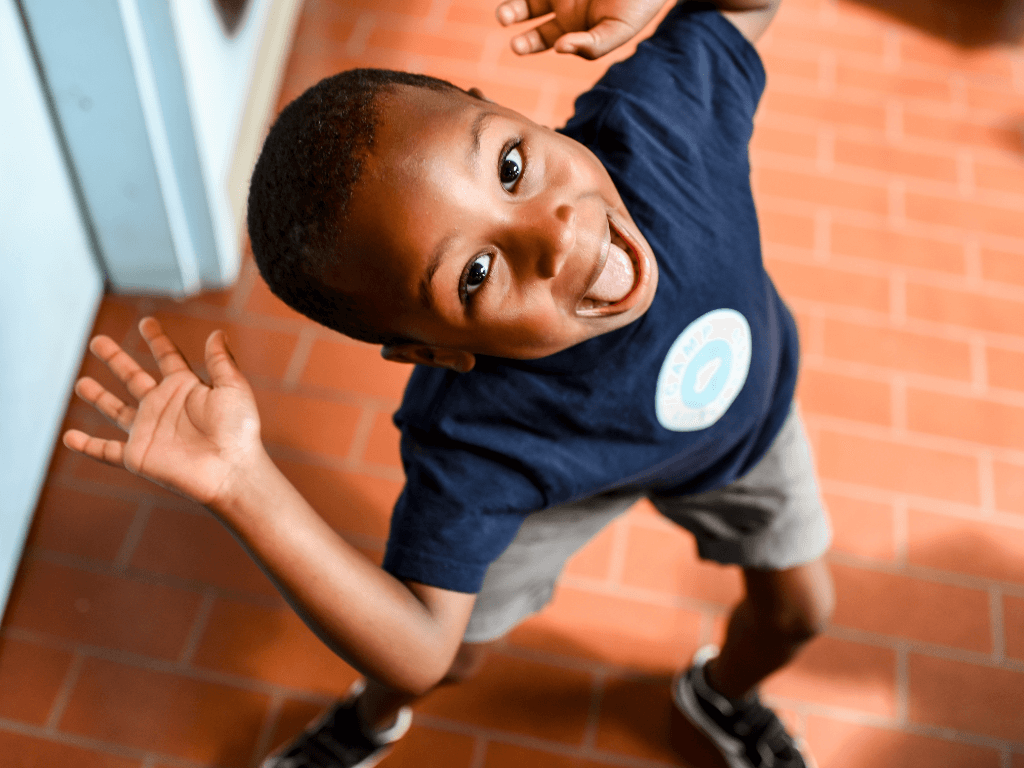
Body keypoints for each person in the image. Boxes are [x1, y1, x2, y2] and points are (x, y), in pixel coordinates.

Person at [64, 1, 836, 766]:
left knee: (801, 613)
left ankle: (719, 697)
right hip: (561, 482)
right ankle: (369, 719)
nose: (555, 233)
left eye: (510, 167)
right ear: (432, 352)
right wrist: (243, 484)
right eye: (475, 274)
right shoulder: (474, 439)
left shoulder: (663, 127)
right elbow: (422, 644)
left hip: (746, 433)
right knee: (455, 655)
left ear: (497, 107)